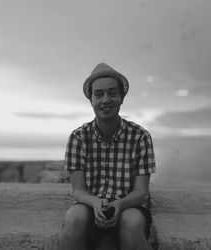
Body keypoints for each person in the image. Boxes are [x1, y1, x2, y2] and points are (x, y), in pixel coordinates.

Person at [59, 63, 156, 250]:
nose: (105, 100)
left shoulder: (140, 137)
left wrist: (118, 204)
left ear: (121, 98)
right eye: (99, 94)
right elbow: (78, 191)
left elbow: (140, 192)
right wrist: (96, 202)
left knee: (132, 222)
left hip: (129, 205)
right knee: (74, 218)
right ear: (91, 100)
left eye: (112, 93)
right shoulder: (78, 137)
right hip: (89, 206)